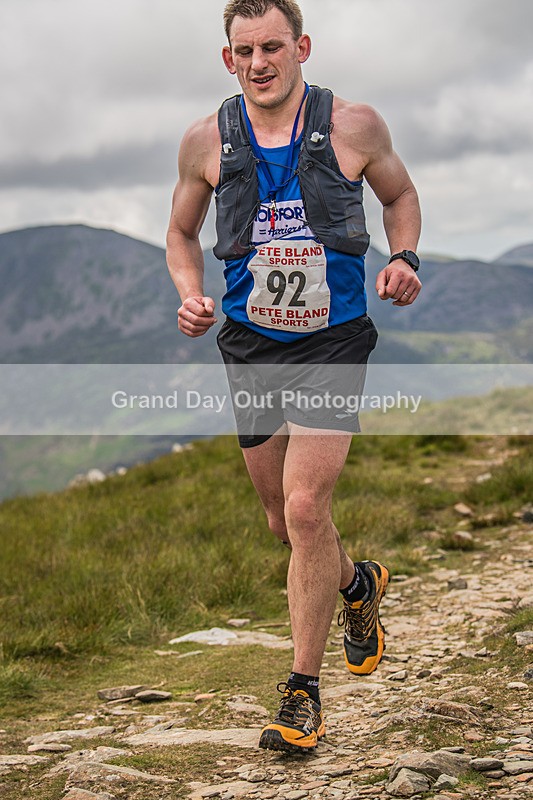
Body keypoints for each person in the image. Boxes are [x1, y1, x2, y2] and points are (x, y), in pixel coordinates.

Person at [166, 0, 422, 754]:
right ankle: (356, 584)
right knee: (283, 524)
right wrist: (189, 292)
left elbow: (399, 197)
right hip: (249, 344)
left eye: (272, 46)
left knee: (307, 508)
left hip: (333, 342)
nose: (258, 63)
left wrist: (404, 258)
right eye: (243, 50)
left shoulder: (354, 125)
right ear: (227, 58)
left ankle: (300, 694)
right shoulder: (204, 140)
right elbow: (181, 232)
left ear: (300, 46)